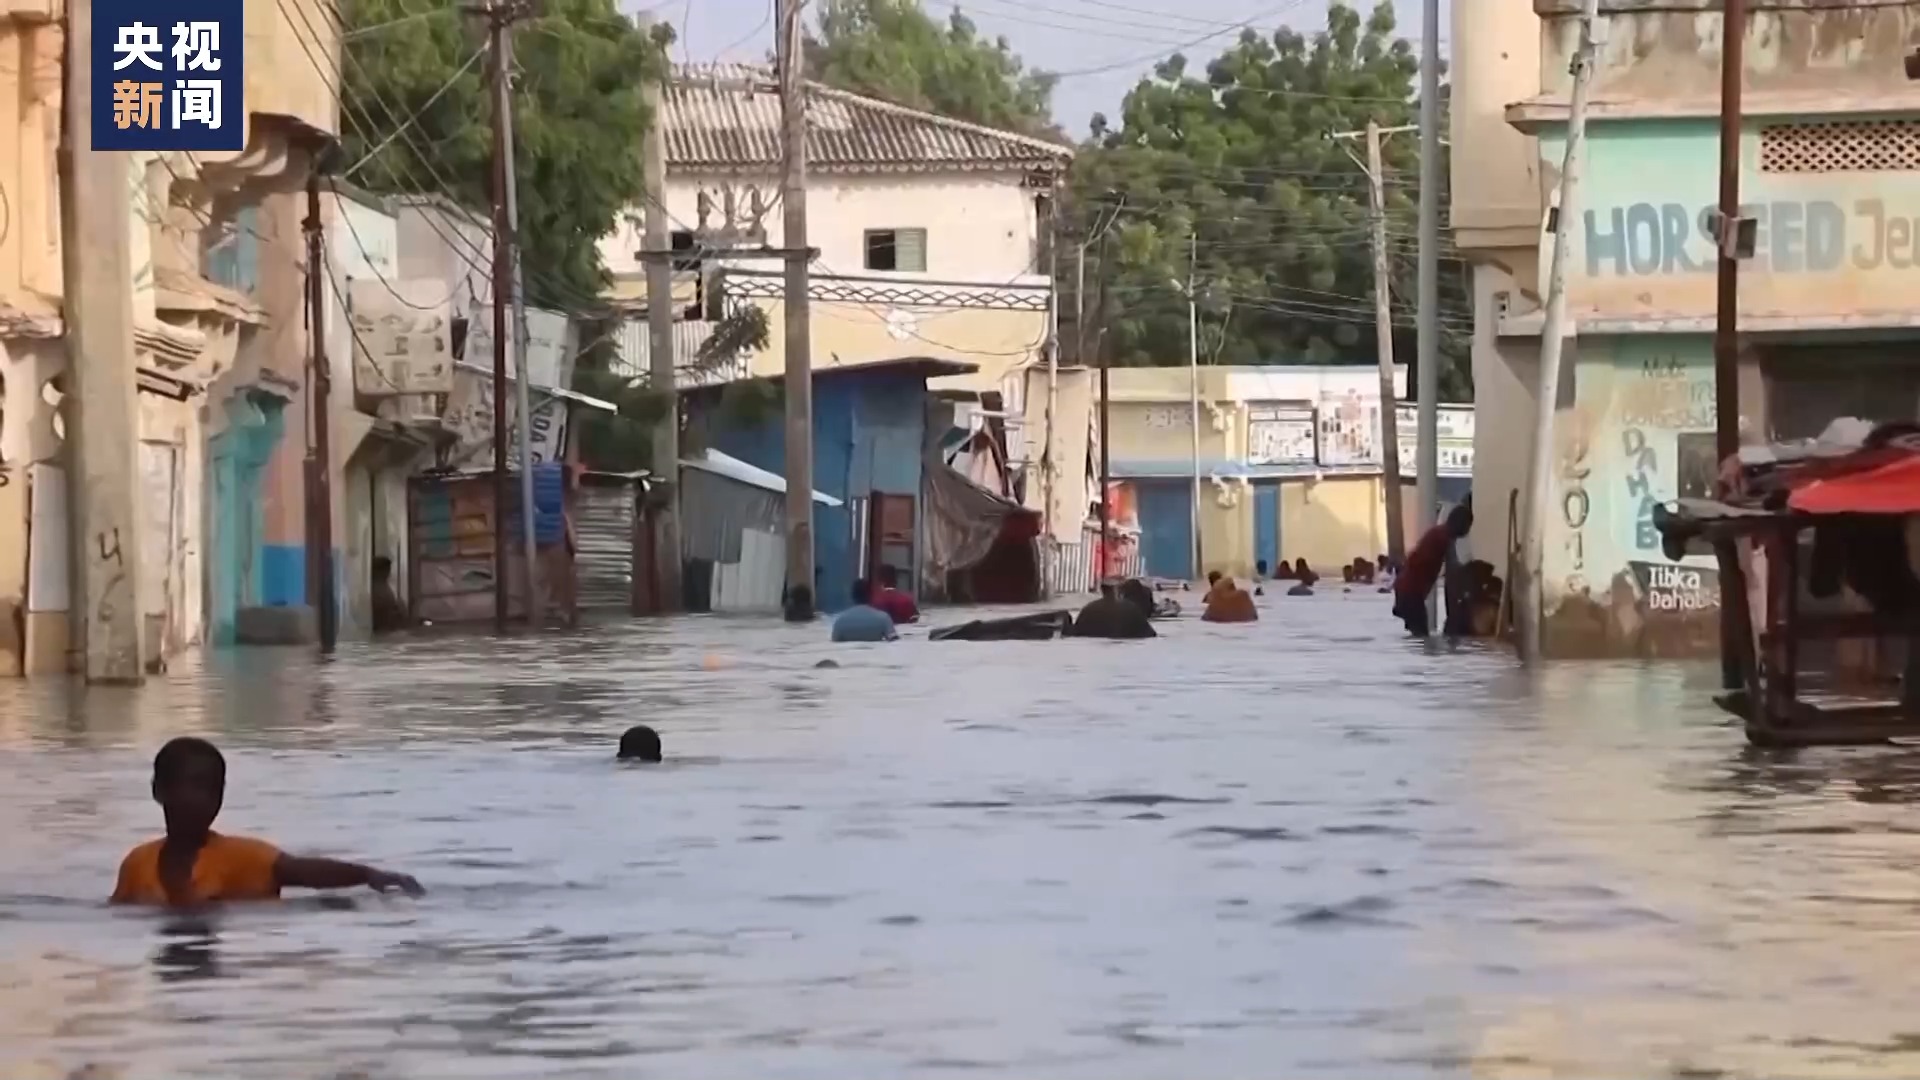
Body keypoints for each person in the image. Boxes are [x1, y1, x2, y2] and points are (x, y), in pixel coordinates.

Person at [112, 738, 422, 907]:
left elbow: (301, 871)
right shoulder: (138, 864)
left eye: (212, 789)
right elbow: (117, 915)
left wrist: (368, 875)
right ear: (159, 791)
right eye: (191, 786)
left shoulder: (243, 857)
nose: (202, 800)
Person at [1394, 501, 1473, 638]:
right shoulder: (1443, 537)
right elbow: (1452, 569)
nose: (1468, 531)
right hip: (1410, 592)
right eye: (1467, 526)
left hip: (1407, 590)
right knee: (1421, 637)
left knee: (1419, 637)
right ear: (1460, 524)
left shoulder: (1440, 534)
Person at [830, 579, 898, 642]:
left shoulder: (840, 620)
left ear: (852, 596)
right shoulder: (883, 618)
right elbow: (894, 642)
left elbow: (834, 641)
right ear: (871, 595)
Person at [371, 555, 405, 634]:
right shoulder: (374, 588)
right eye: (386, 570)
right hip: (381, 629)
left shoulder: (385, 586)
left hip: (388, 629)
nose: (388, 573)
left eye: (388, 570)